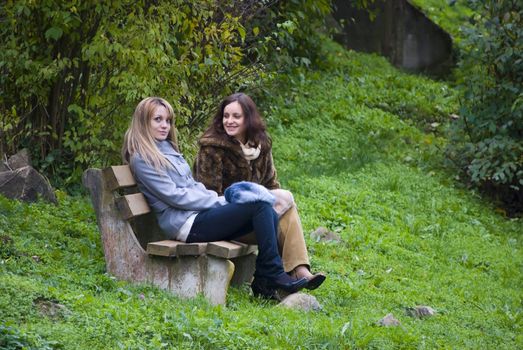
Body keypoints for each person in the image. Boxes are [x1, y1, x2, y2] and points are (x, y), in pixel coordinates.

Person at [122, 96, 309, 299]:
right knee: (259, 207)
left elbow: (193, 186)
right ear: (143, 122)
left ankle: (265, 281)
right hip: (186, 224)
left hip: (199, 216)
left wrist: (214, 199)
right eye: (158, 120)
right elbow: (175, 196)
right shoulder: (142, 158)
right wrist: (221, 200)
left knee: (266, 210)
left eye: (168, 120)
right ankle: (271, 274)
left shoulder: (166, 148)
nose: (165, 125)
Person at [194, 92, 326, 291]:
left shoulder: (261, 146)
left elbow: (272, 185)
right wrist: (248, 201)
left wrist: (271, 202)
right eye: (226, 116)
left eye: (236, 116)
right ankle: (281, 276)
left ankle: (299, 271)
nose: (229, 121)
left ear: (248, 118)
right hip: (224, 221)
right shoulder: (212, 148)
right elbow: (209, 196)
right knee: (268, 210)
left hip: (257, 219)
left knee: (286, 206)